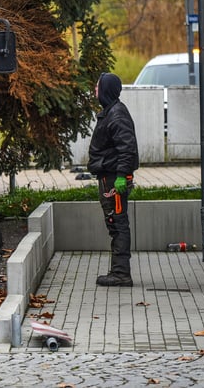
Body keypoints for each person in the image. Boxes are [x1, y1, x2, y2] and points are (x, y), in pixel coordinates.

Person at [87, 72, 139, 287]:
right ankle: (118, 271)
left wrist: (121, 177)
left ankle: (120, 273)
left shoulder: (116, 115)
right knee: (115, 223)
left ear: (106, 89)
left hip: (113, 179)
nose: (95, 91)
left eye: (98, 87)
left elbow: (127, 149)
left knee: (117, 223)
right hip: (109, 176)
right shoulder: (111, 112)